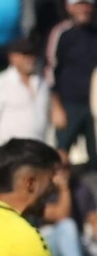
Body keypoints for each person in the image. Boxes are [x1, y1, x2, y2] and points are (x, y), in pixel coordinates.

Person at [0, 39, 51, 153]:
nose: (30, 59)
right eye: (25, 54)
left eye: (32, 54)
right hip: (13, 154)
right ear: (12, 57)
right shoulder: (0, 82)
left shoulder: (42, 82)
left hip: (39, 151)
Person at [47, 0, 97, 167]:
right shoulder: (61, 33)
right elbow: (50, 69)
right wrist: (56, 106)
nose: (83, 8)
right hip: (68, 104)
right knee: (61, 156)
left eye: (87, 4)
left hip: (94, 106)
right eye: (79, 4)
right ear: (69, 7)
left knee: (95, 157)